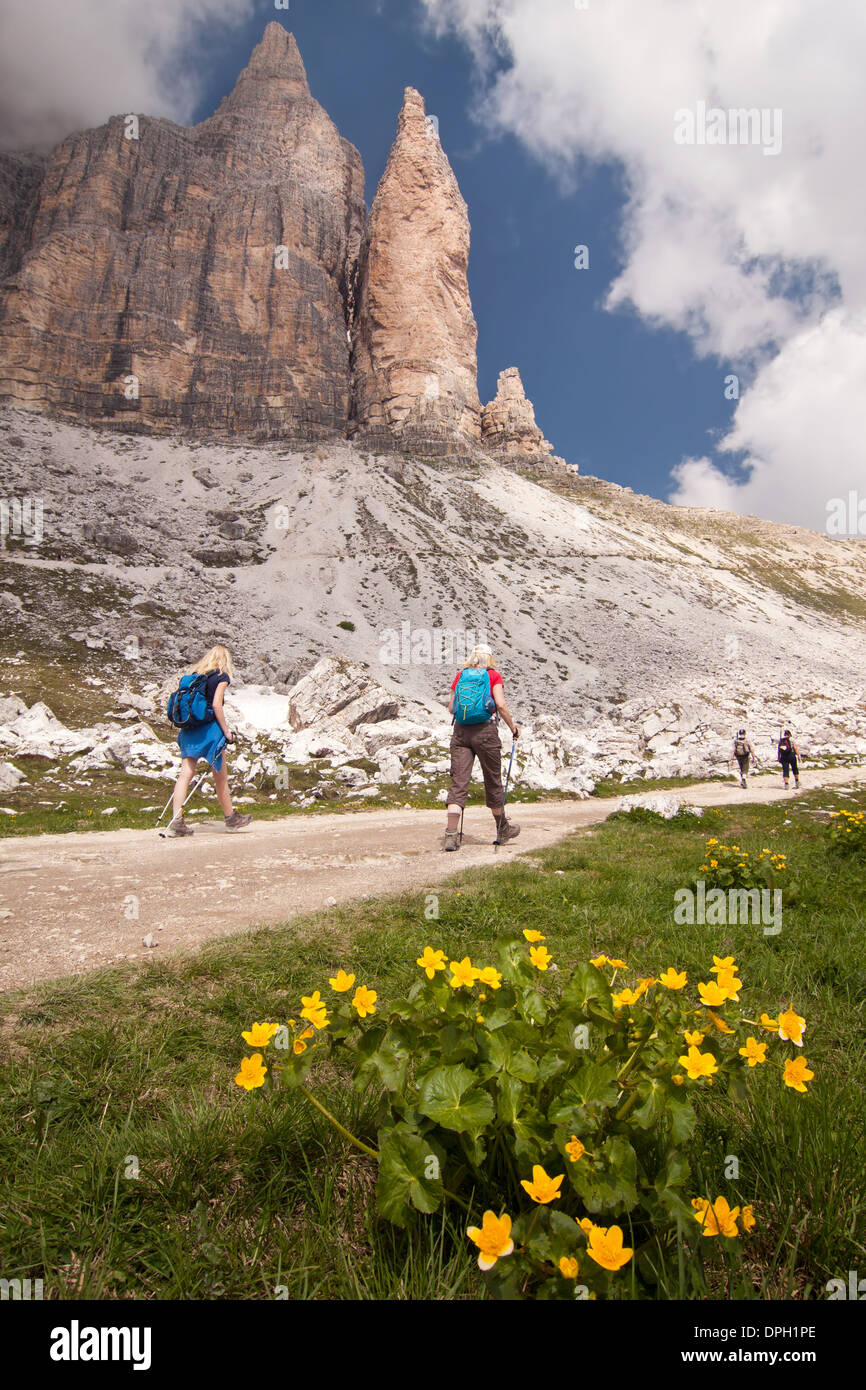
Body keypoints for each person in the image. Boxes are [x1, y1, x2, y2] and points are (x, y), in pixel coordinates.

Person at [168, 644, 252, 836]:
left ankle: (177, 821)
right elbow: (216, 704)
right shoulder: (222, 676)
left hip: (189, 730)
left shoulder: (196, 675)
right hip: (210, 732)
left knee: (185, 774)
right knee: (220, 776)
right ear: (226, 659)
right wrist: (227, 732)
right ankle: (231, 818)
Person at [444, 643, 520, 851]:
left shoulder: (461, 675)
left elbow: (452, 708)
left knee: (458, 782)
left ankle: (451, 835)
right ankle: (502, 828)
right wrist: (513, 728)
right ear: (490, 658)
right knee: (493, 780)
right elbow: (501, 705)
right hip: (485, 733)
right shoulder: (493, 675)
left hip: (460, 732)